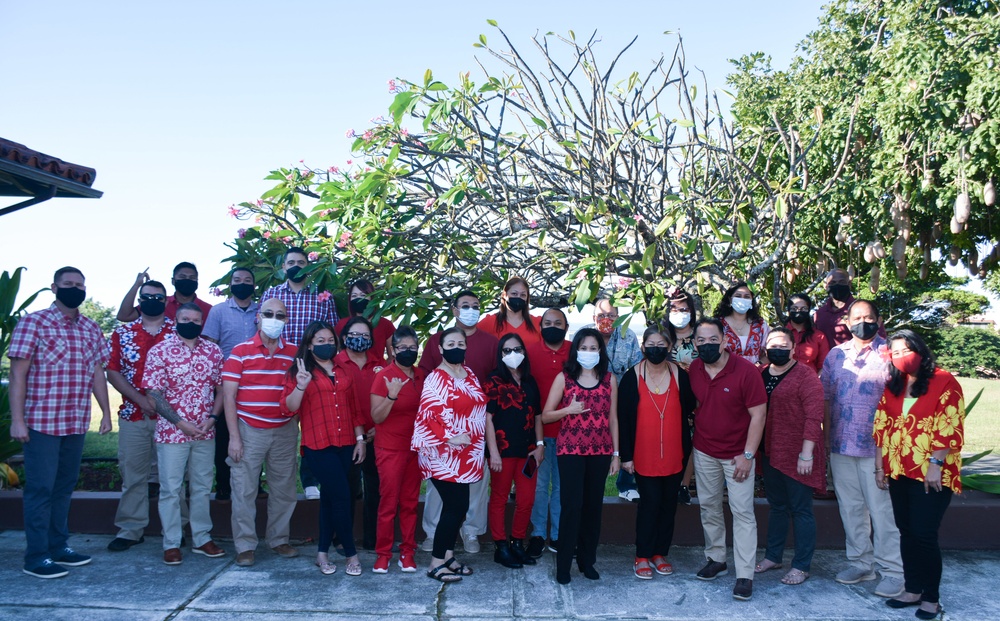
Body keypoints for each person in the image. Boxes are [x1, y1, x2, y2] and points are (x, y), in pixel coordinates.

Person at [8, 267, 112, 578]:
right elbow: (17, 373)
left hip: (75, 421)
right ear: (54, 287)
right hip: (41, 421)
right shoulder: (34, 323)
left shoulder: (91, 328)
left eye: (80, 285)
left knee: (64, 487)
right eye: (68, 284)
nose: (75, 289)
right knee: (40, 488)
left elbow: (97, 372)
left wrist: (105, 412)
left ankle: (58, 546)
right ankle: (36, 556)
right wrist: (18, 420)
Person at [874, 330, 964, 620]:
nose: (901, 356)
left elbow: (948, 426)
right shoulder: (893, 385)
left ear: (920, 351)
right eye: (895, 352)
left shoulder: (943, 380)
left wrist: (936, 464)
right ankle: (912, 589)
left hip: (931, 473)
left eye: (906, 350)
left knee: (924, 535)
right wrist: (881, 467)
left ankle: (931, 597)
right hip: (899, 471)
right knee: (907, 532)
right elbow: (882, 428)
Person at [822, 299, 903, 597]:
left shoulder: (890, 354)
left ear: (878, 320)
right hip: (842, 445)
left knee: (883, 512)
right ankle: (860, 563)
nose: (862, 322)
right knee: (851, 508)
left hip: (878, 449)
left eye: (868, 317)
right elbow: (827, 398)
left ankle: (893, 571)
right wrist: (828, 439)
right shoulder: (834, 355)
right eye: (857, 317)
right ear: (847, 320)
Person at [688, 318, 767, 601]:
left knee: (742, 512)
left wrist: (748, 455)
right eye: (701, 341)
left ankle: (745, 574)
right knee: (708, 506)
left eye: (712, 340)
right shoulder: (695, 369)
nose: (707, 345)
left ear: (724, 341)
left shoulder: (746, 372)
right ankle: (717, 559)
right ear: (694, 343)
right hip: (705, 450)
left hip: (737, 455)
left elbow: (758, 415)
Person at [143, 303, 226, 566]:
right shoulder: (160, 351)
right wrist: (180, 423)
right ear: (176, 320)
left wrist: (213, 418)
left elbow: (222, 388)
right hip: (172, 434)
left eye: (196, 319)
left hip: (204, 432)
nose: (191, 322)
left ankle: (202, 538)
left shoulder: (213, 351)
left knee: (202, 487)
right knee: (171, 489)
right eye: (185, 318)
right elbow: (153, 394)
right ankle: (171, 542)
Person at [281, 321, 366, 576]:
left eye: (330, 340)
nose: (326, 344)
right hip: (318, 445)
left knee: (330, 499)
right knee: (341, 496)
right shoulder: (300, 372)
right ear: (309, 344)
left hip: (346, 444)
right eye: (320, 340)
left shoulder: (343, 370)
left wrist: (360, 440)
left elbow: (354, 409)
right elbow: (288, 407)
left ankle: (321, 553)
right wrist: (301, 385)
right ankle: (351, 554)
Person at [418, 290, 498, 554]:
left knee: (468, 497)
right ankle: (436, 546)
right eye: (465, 306)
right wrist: (447, 435)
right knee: (443, 499)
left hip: (473, 445)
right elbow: (427, 407)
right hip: (445, 448)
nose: (471, 309)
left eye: (476, 305)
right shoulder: (435, 360)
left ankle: (464, 539)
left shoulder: (480, 357)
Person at [221, 298, 300, 567]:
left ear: (287, 320)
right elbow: (229, 397)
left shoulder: (294, 353)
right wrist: (234, 437)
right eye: (268, 314)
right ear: (258, 317)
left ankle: (279, 539)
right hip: (248, 429)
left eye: (280, 315)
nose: (274, 319)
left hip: (284, 430)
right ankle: (245, 545)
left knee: (284, 489)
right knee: (243, 489)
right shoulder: (240, 351)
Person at [541, 327, 620, 585]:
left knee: (593, 508)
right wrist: (568, 410)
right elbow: (546, 415)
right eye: (583, 348)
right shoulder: (565, 378)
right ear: (576, 350)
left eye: (593, 348)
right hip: (571, 451)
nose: (588, 352)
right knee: (572, 507)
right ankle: (563, 566)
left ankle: (588, 562)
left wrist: (616, 454)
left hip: (600, 451)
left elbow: (613, 419)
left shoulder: (610, 379)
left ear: (600, 351)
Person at [260, 247, 339, 500]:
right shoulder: (271, 294)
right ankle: (276, 481)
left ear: (309, 267)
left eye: (301, 262)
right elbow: (261, 328)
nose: (295, 266)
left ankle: (310, 481)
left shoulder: (322, 296)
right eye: (291, 262)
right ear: (283, 267)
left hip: (311, 368)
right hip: (277, 366)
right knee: (280, 423)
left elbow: (330, 333)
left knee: (312, 425)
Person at [412, 327, 488, 583]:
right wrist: (449, 436)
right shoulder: (436, 378)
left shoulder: (470, 374)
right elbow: (427, 415)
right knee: (455, 508)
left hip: (468, 454)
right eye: (450, 343)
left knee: (459, 507)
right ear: (441, 349)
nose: (457, 346)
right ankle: (435, 563)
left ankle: (447, 556)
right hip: (444, 454)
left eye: (461, 343)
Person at [618, 327, 694, 580]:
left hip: (675, 453)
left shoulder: (680, 375)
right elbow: (624, 419)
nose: (656, 348)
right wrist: (625, 456)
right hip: (644, 454)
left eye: (662, 344)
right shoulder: (632, 377)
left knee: (668, 506)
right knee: (649, 505)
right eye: (651, 343)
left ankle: (660, 553)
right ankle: (642, 555)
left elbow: (691, 407)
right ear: (643, 347)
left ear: (669, 346)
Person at [106, 279, 174, 553]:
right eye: (147, 296)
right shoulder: (122, 333)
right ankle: (131, 529)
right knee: (133, 474)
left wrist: (159, 404)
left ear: (166, 300)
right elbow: (112, 371)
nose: (152, 300)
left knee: (173, 478)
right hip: (134, 414)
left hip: (172, 419)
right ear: (139, 300)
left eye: (158, 297)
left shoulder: (179, 332)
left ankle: (176, 527)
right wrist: (142, 400)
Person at [753, 328, 826, 586]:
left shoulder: (805, 375)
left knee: (801, 509)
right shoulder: (760, 372)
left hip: (797, 454)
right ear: (765, 347)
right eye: (772, 344)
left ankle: (802, 565)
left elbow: (814, 415)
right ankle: (774, 556)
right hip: (770, 452)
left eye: (784, 345)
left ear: (793, 349)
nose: (778, 349)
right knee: (778, 507)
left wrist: (807, 454)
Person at [483, 334, 544, 569]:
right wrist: (493, 452)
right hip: (502, 451)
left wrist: (540, 446)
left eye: (517, 349)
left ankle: (517, 542)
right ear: (500, 354)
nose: (513, 354)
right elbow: (487, 419)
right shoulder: (493, 381)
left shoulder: (530, 381)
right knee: (498, 499)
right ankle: (501, 547)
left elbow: (538, 416)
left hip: (528, 453)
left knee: (526, 499)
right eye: (507, 350)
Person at [369, 327, 425, 573]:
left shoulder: (422, 375)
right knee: (389, 504)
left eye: (413, 348)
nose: (408, 352)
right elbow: (376, 417)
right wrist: (391, 396)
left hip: (416, 449)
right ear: (393, 350)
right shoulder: (384, 376)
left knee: (410, 503)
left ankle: (408, 551)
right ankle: (383, 554)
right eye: (403, 348)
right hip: (390, 449)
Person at [203, 267, 261, 501]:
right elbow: (209, 346)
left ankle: (256, 484)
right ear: (230, 284)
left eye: (247, 280)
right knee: (225, 434)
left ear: (254, 286)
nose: (242, 283)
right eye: (237, 280)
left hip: (257, 383)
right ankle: (224, 484)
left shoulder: (262, 310)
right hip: (226, 384)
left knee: (254, 435)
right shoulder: (218, 312)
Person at [335, 316, 386, 550]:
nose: (360, 340)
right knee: (346, 488)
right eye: (354, 335)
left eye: (365, 336)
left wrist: (378, 428)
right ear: (344, 338)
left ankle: (372, 539)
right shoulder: (333, 363)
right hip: (345, 437)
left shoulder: (381, 365)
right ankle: (341, 538)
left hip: (376, 435)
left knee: (375, 489)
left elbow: (390, 400)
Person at [585, 298, 642, 502]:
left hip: (620, 394)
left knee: (627, 434)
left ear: (618, 317)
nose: (606, 319)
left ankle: (626, 484)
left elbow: (637, 368)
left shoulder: (629, 336)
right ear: (594, 318)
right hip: (590, 398)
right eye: (601, 315)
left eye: (611, 315)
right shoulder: (586, 336)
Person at [525, 308, 570, 557]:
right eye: (548, 323)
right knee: (540, 486)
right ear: (540, 326)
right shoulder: (529, 353)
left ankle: (558, 535)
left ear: (566, 326)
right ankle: (538, 534)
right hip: (538, 432)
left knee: (562, 488)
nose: (553, 326)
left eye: (558, 323)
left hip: (571, 434)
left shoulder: (575, 350)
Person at [664, 288, 699, 505]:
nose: (680, 313)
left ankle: (684, 485)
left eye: (684, 309)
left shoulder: (700, 335)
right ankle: (668, 483)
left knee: (693, 442)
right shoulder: (663, 335)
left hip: (696, 396)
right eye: (674, 309)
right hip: (666, 396)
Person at [116, 263, 212, 322]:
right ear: (173, 281)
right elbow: (124, 316)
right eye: (182, 277)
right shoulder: (159, 302)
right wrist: (136, 285)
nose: (187, 280)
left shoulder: (209, 310)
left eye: (192, 278)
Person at [814, 268, 886, 347]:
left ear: (849, 284)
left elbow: (881, 339)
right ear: (826, 286)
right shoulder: (819, 314)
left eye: (841, 282)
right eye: (832, 282)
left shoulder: (863, 310)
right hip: (827, 358)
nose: (837, 285)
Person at [333, 278, 396, 361]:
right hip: (348, 372)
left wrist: (383, 371)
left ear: (372, 298)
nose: (358, 298)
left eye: (363, 295)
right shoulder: (342, 324)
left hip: (377, 371)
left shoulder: (385, 324)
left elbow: (392, 356)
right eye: (354, 296)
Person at [714, 281, 769, 365]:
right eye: (738, 296)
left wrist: (758, 364)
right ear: (730, 299)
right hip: (725, 374)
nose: (742, 299)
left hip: (754, 374)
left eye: (747, 297)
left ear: (751, 300)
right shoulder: (717, 324)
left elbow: (770, 352)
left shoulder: (760, 325)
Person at [476, 276, 542, 345]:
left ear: (527, 298)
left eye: (523, 295)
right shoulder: (490, 322)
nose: (518, 297)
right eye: (514, 294)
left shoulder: (538, 323)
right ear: (504, 295)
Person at [784, 294, 830, 374]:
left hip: (811, 381)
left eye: (803, 308)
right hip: (784, 381)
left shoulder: (818, 336)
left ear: (809, 310)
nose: (798, 311)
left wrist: (816, 383)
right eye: (794, 308)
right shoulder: (780, 335)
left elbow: (823, 365)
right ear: (788, 311)